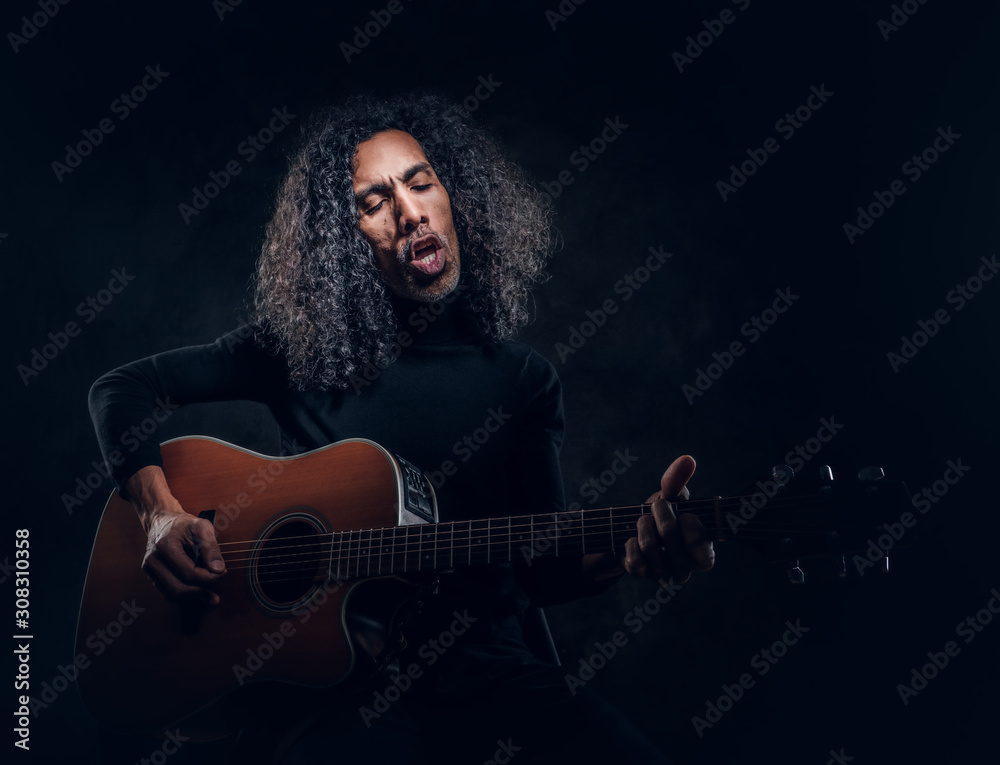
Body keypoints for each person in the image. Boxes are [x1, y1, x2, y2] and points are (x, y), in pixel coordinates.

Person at [89, 93, 715, 764]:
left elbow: (541, 566)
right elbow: (120, 389)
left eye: (421, 182)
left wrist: (626, 553)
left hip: (491, 675)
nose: (410, 211)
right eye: (374, 201)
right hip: (332, 692)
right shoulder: (293, 354)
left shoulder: (521, 380)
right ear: (342, 238)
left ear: (455, 196)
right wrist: (159, 514)